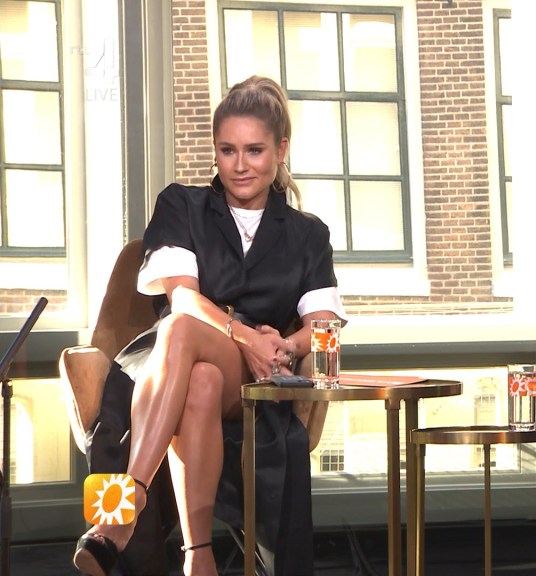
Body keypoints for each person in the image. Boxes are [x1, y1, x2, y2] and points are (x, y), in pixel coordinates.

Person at [73, 75, 344, 576]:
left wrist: (282, 346)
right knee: (192, 360)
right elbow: (183, 298)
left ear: (281, 150)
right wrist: (247, 335)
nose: (239, 165)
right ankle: (198, 557)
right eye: (227, 150)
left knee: (192, 345)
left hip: (248, 372)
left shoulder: (308, 234)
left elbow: (323, 326)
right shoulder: (182, 204)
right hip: (165, 359)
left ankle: (122, 509)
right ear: (215, 150)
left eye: (255, 150)